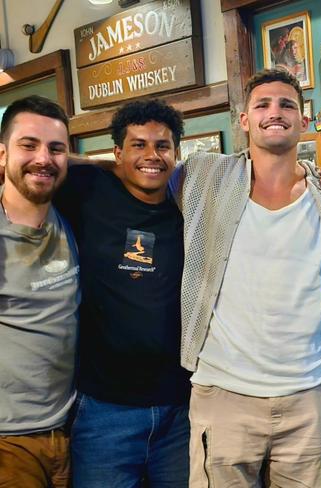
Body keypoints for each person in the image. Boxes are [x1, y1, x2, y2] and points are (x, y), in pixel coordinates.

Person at [169, 68, 321, 487]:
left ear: (303, 121)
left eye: (287, 104)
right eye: (262, 105)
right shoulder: (204, 176)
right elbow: (140, 173)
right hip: (223, 394)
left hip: (308, 394)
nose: (275, 112)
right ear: (244, 120)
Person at [55, 99, 191, 487]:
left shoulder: (190, 203)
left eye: (162, 146)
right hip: (104, 411)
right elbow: (49, 166)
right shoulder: (88, 189)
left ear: (176, 154)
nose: (152, 155)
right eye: (138, 145)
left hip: (178, 409)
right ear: (117, 152)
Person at [0, 96, 80, 487]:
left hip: (69, 428)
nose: (43, 158)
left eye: (56, 148)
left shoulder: (68, 216)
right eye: (28, 145)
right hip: (8, 440)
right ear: (2, 154)